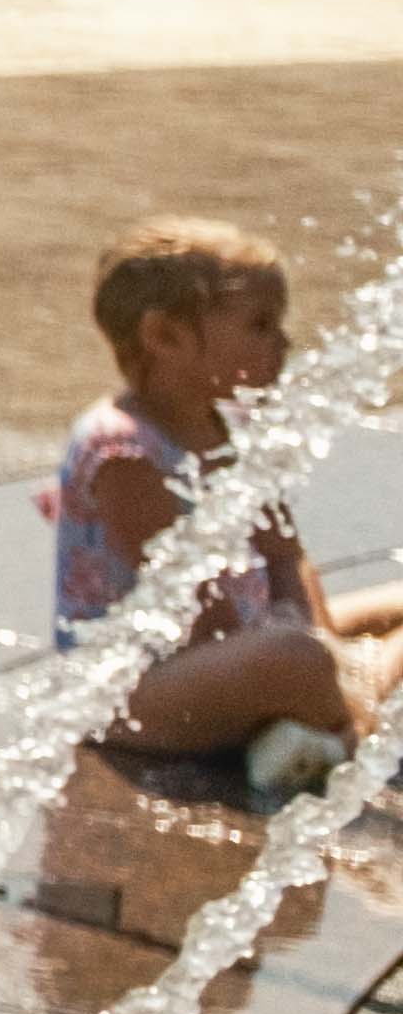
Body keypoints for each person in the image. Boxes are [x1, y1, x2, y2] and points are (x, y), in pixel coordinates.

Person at [55, 217, 397, 773]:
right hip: (138, 694)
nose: (284, 343)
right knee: (299, 660)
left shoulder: (227, 425)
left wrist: (321, 639)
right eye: (261, 325)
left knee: (313, 650)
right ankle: (352, 722)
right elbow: (194, 610)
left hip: (250, 643)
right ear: (165, 336)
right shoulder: (124, 453)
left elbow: (285, 553)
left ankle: (332, 710)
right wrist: (312, 657)